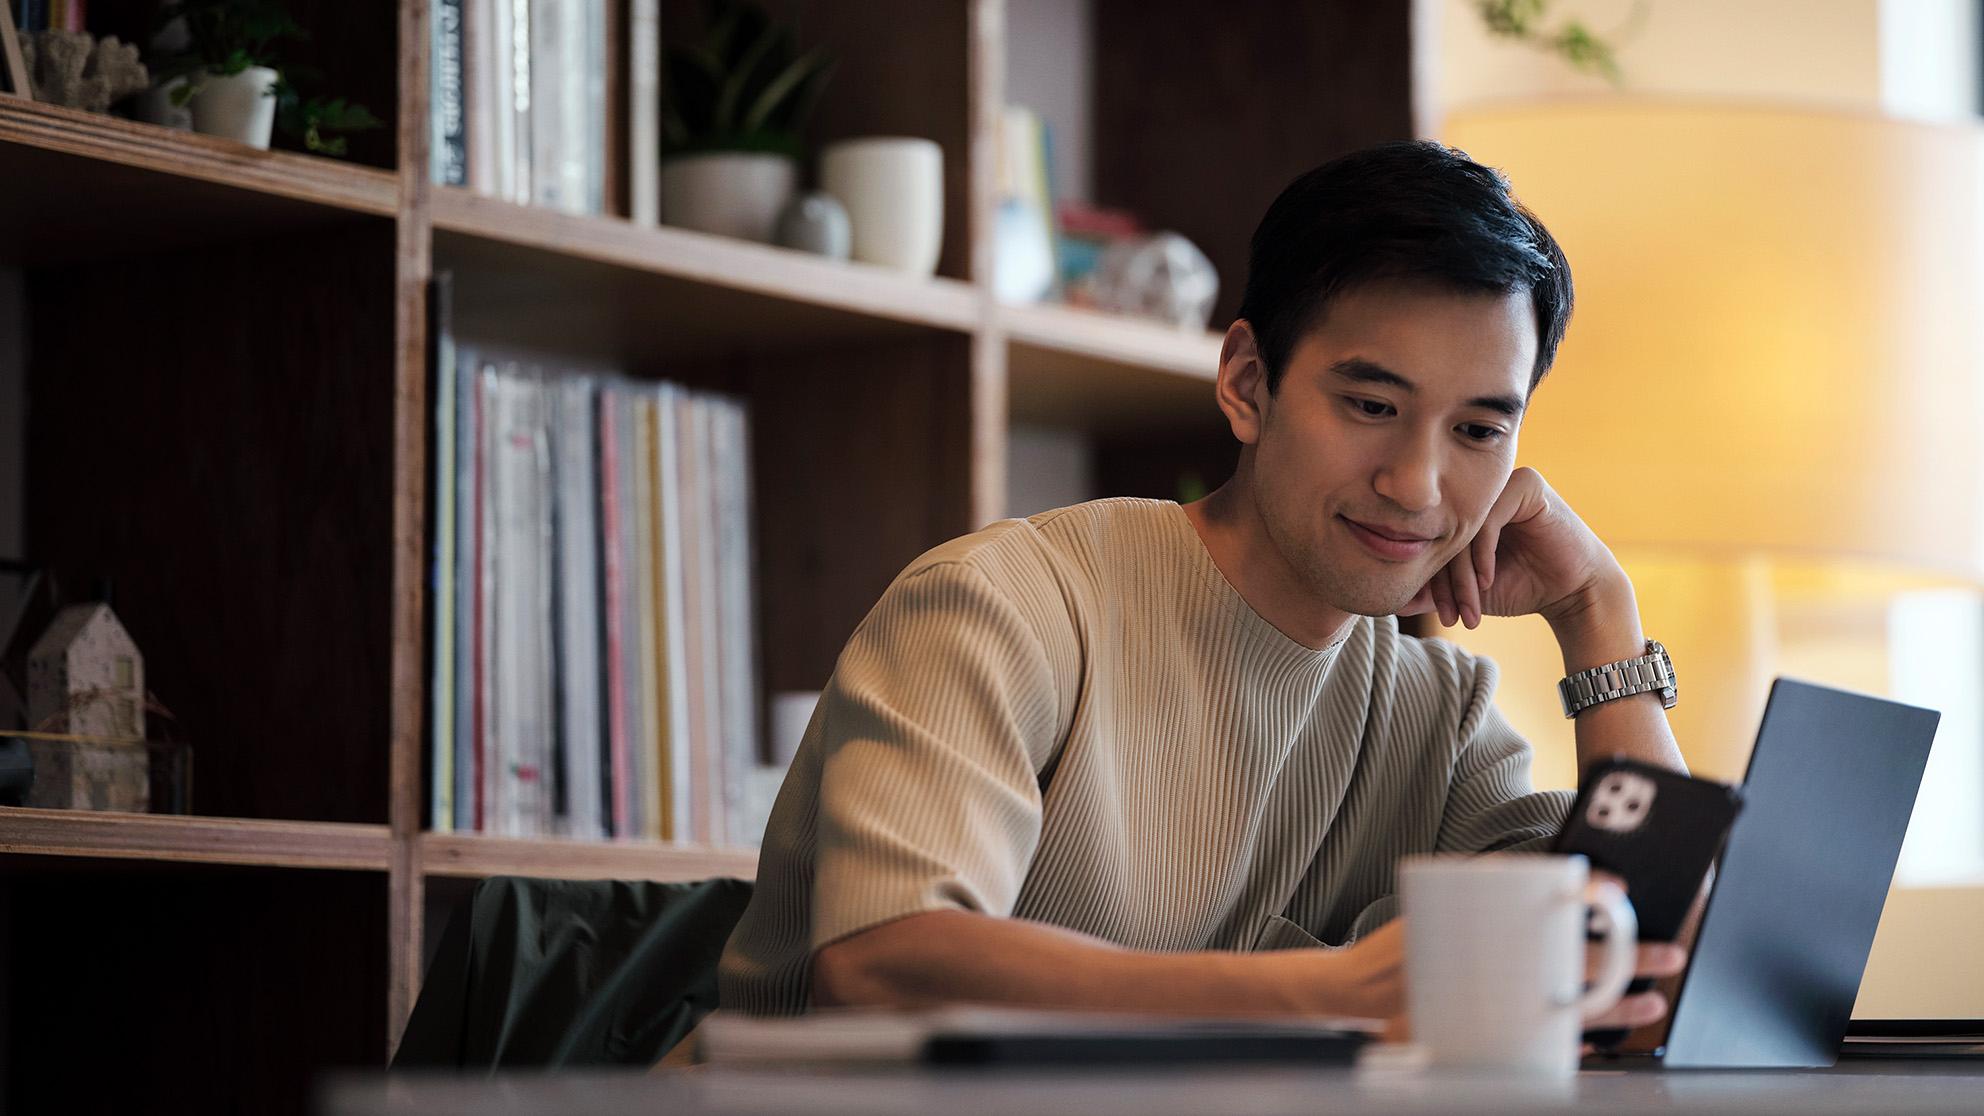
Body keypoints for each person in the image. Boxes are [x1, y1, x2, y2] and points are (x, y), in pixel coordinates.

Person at [718, 140, 1688, 1031]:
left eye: (1477, 430)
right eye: (1369, 404)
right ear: (1245, 383)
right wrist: (1335, 993)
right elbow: (881, 968)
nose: (1416, 485)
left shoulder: (1441, 718)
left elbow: (1652, 980)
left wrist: (1597, 616)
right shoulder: (1005, 605)